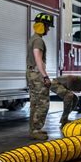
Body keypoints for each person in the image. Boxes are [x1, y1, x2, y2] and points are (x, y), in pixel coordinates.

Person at [26, 12, 55, 140]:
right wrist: (45, 76)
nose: (48, 29)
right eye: (47, 26)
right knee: (43, 103)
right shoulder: (38, 40)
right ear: (41, 26)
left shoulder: (33, 38)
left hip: (31, 73)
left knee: (34, 102)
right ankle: (36, 129)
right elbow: (39, 59)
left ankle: (34, 129)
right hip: (37, 75)